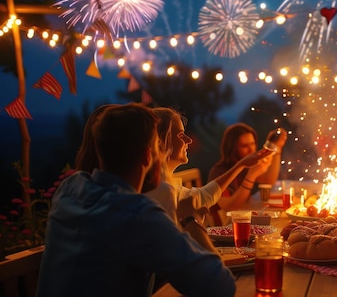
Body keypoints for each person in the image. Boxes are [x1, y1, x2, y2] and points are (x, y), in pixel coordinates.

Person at [37, 103, 235, 297]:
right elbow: (220, 286)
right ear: (148, 156)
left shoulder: (70, 187)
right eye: (158, 149)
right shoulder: (138, 214)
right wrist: (191, 221)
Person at [146, 108, 274, 225]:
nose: (189, 140)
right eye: (180, 135)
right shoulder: (164, 192)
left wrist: (243, 164)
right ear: (160, 142)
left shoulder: (166, 185)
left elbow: (203, 195)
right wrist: (193, 223)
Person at [208, 122, 287, 214]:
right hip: (223, 224)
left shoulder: (246, 166)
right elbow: (229, 207)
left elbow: (268, 180)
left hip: (242, 216)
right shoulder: (219, 172)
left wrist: (276, 148)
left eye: (252, 144)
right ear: (232, 148)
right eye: (245, 146)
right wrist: (251, 176)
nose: (251, 149)